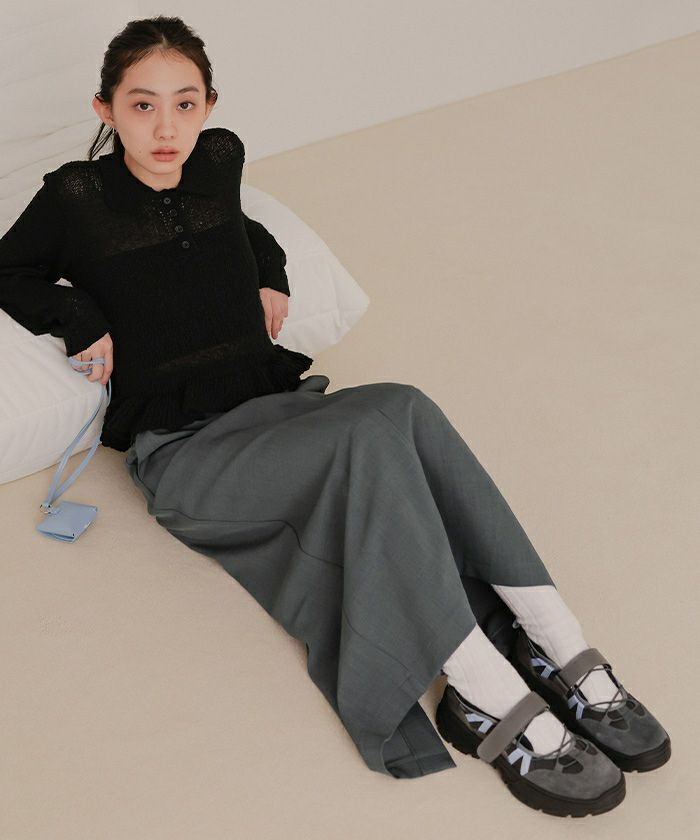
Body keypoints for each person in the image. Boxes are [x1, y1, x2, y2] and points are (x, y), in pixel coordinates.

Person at [0, 15, 670, 818]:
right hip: (189, 456)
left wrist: (271, 270)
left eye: (185, 103)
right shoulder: (75, 197)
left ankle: (561, 646)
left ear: (209, 105)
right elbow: (9, 269)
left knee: (403, 405)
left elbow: (240, 226)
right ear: (105, 110)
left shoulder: (216, 160)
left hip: (278, 412)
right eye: (142, 106)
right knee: (363, 433)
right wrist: (76, 317)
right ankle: (485, 692)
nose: (166, 128)